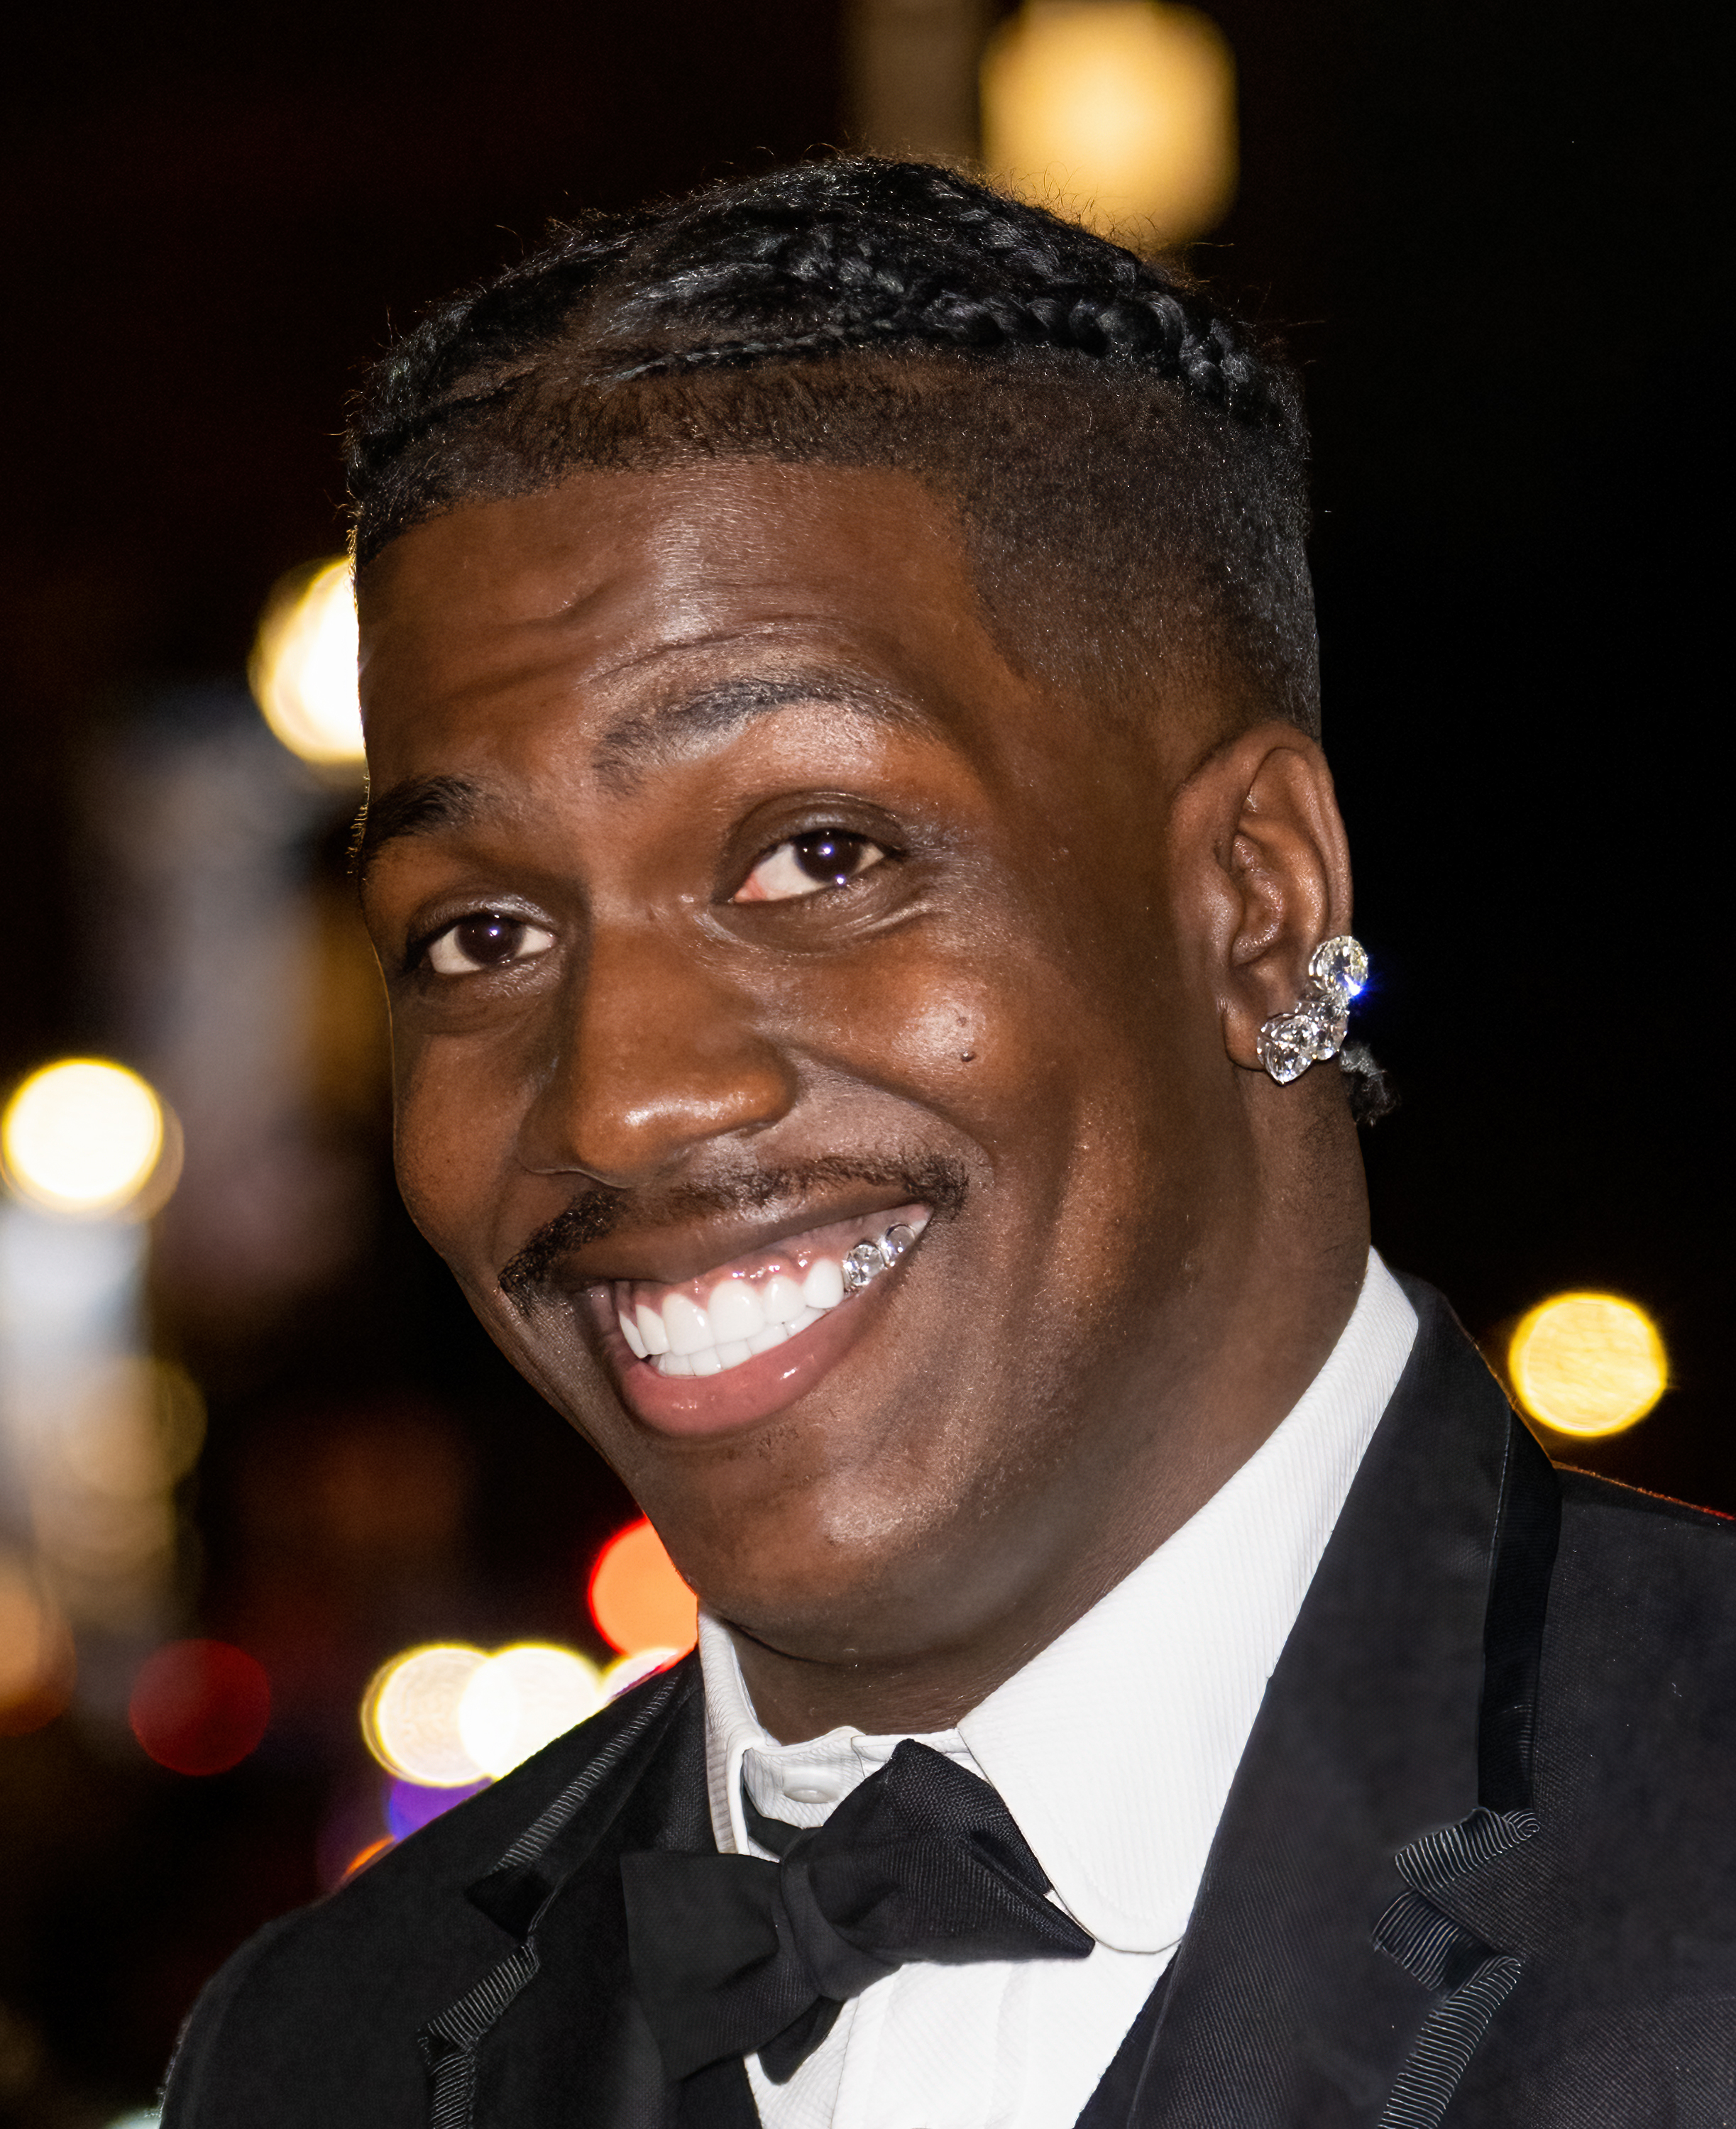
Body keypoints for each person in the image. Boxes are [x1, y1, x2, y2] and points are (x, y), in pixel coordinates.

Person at [161, 160, 1735, 2128]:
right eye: (484, 934)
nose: (618, 1099)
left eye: (821, 856)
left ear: (1254, 900)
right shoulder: (325, 2052)